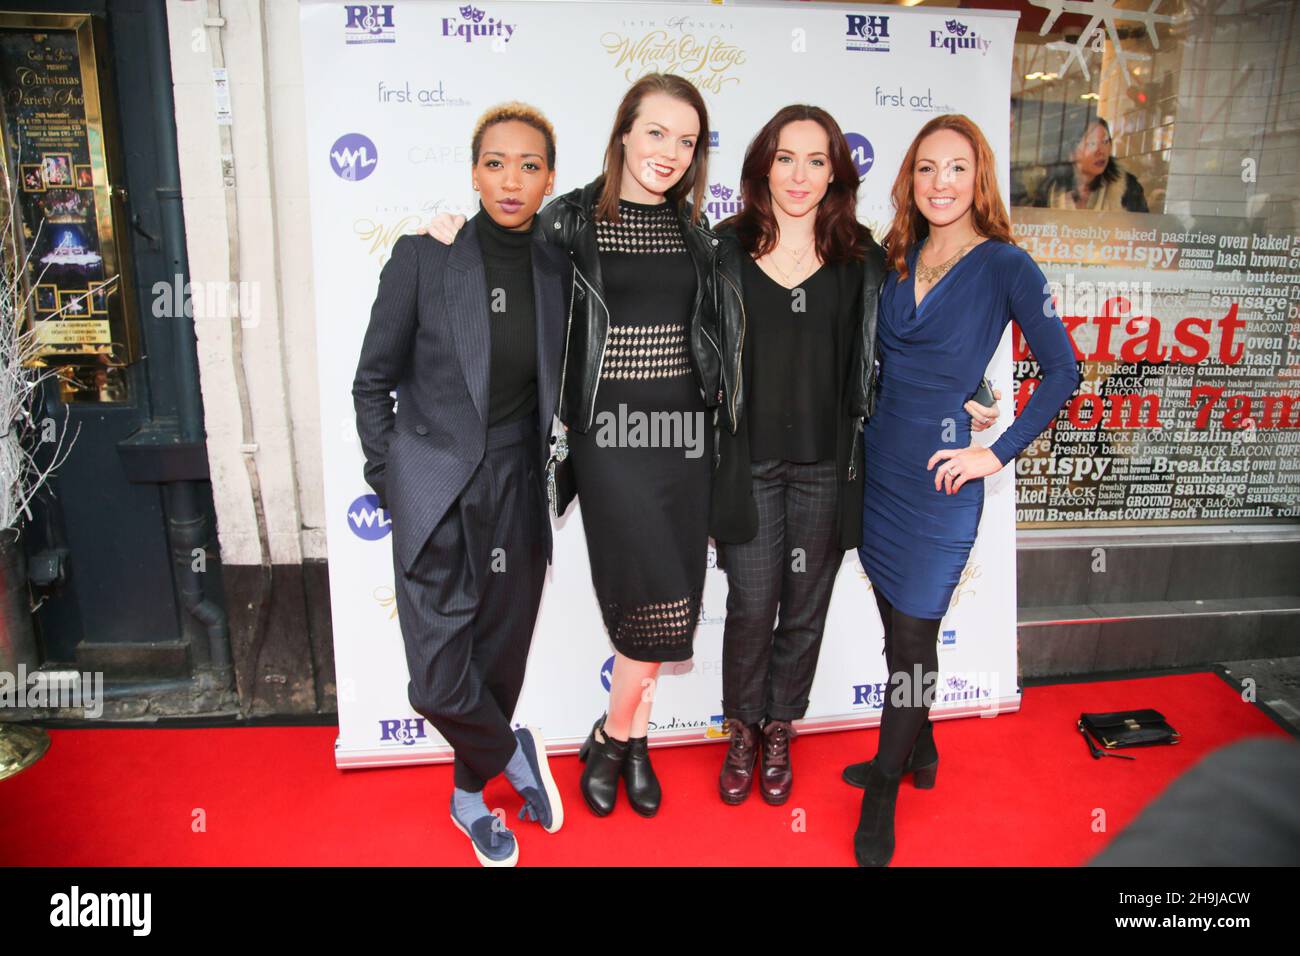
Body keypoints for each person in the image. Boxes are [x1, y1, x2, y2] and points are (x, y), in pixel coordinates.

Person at [423, 73, 742, 819]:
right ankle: (619, 735)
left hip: (686, 442)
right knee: (646, 610)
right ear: (624, 131)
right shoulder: (565, 222)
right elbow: (496, 252)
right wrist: (442, 234)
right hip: (613, 441)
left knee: (674, 608)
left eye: (686, 140)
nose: (668, 151)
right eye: (655, 132)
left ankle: (621, 737)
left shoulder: (698, 236)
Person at [709, 105, 1001, 807]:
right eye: (786, 158)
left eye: (817, 160)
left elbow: (911, 344)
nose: (800, 174)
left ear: (837, 172)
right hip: (745, 464)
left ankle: (782, 726)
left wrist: (976, 388)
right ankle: (743, 729)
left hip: (827, 468)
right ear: (762, 168)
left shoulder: (863, 257)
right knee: (752, 607)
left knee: (804, 609)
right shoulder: (721, 248)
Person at [848, 114, 1081, 866]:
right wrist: (978, 386)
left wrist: (996, 452)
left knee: (914, 639)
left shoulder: (1008, 265)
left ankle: (883, 784)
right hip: (880, 463)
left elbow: (1064, 371)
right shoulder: (898, 255)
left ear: (978, 177)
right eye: (925, 169)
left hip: (944, 479)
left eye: (955, 168)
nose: (940, 183)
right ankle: (922, 750)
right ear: (909, 180)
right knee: (896, 627)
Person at [352, 103, 571, 866]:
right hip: (436, 486)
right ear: (474, 170)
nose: (511, 180)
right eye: (495, 162)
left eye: (530, 165)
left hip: (517, 482)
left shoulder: (558, 265)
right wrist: (394, 479)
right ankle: (509, 752)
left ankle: (469, 798)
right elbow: (371, 382)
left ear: (550, 178)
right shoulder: (424, 257)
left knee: (497, 657)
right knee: (438, 682)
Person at [1036, 117, 1148, 212]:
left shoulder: (1127, 187)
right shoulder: (1051, 190)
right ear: (1071, 151)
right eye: (1091, 143)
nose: (1100, 151)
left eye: (1105, 142)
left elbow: (1143, 233)